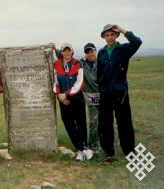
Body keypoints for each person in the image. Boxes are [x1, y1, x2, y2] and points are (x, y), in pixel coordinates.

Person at [97, 24, 142, 162]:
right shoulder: (102, 52)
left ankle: (129, 152)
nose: (109, 38)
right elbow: (99, 73)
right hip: (105, 94)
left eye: (112, 34)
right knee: (105, 124)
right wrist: (102, 86)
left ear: (116, 36)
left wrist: (122, 30)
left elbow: (137, 42)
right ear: (104, 37)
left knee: (125, 123)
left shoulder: (123, 49)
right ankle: (108, 152)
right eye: (107, 35)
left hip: (120, 93)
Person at [53, 43, 92, 161]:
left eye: (69, 50)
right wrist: (59, 94)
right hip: (63, 100)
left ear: (72, 51)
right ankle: (80, 149)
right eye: (64, 50)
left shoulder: (77, 64)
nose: (67, 52)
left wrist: (66, 94)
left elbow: (79, 83)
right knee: (68, 124)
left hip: (76, 99)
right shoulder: (56, 64)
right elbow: (55, 82)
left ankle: (84, 147)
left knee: (80, 123)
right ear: (62, 52)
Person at [80, 43, 100, 153]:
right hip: (91, 97)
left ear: (95, 51)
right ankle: (93, 146)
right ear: (85, 54)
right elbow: (66, 58)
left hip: (104, 95)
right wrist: (56, 49)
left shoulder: (102, 62)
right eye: (87, 52)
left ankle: (104, 143)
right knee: (93, 122)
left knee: (105, 121)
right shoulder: (81, 64)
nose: (90, 54)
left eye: (91, 51)